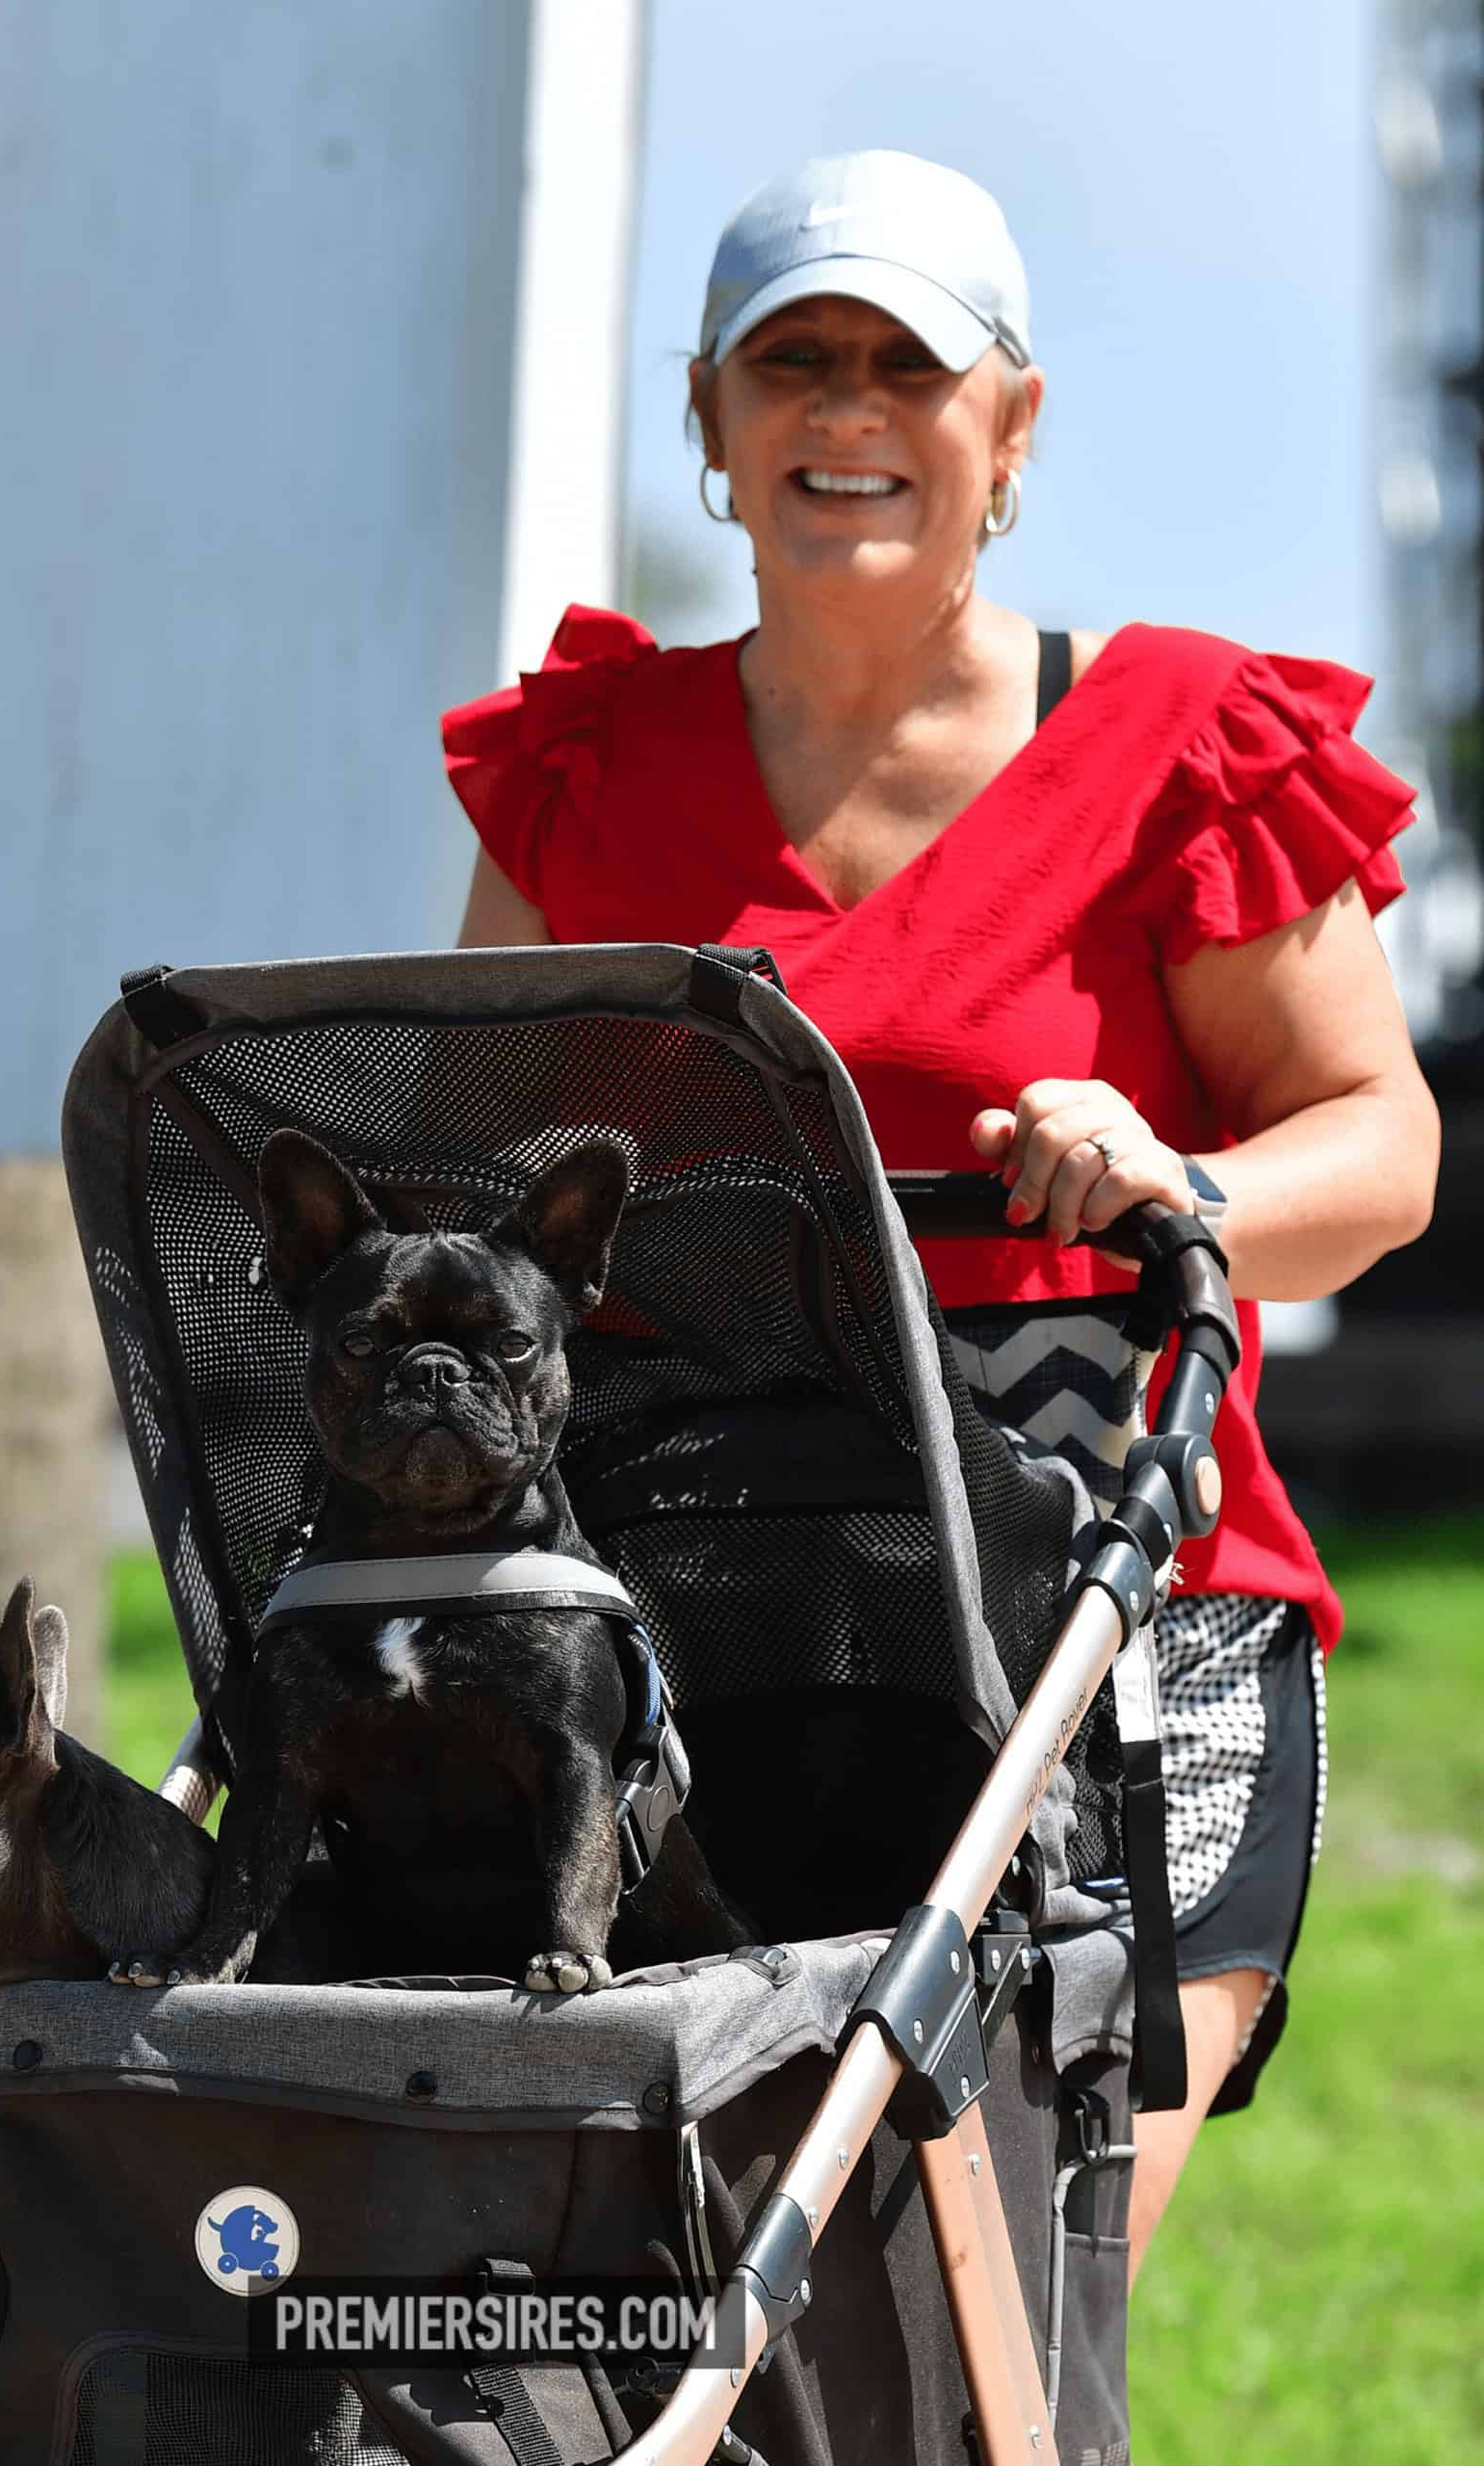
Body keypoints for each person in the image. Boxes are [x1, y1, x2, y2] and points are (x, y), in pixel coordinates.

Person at [441, 149, 1440, 2280]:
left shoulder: (1181, 744)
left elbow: (1381, 1148)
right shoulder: (588, 769)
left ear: (1014, 422)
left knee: (1002, 2302)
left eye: (909, 363)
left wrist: (1181, 1180)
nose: (846, 408)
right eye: (789, 360)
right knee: (706, 2322)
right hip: (708, 1637)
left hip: (1121, 1634)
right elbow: (475, 1189)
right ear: (708, 419)